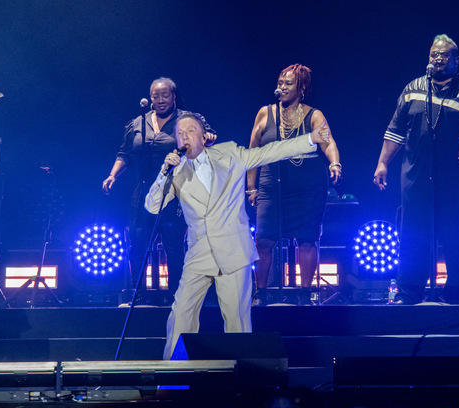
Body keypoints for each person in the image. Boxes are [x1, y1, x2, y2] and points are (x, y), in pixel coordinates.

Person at [146, 113, 332, 359]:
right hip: (199, 253)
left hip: (233, 250)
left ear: (203, 136)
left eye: (190, 131)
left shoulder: (230, 154)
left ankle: (242, 375)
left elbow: (270, 151)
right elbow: (152, 205)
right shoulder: (176, 170)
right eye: (179, 134)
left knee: (236, 320)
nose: (184, 137)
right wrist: (164, 172)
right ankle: (173, 376)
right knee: (180, 314)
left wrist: (310, 138)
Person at [373, 35, 459, 304]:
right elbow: (395, 130)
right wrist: (382, 162)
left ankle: (457, 294)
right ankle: (408, 292)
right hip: (417, 176)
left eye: (444, 55)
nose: (437, 59)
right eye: (433, 53)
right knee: (413, 233)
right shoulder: (413, 88)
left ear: (456, 59)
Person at [102, 78, 215, 304]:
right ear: (150, 98)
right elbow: (125, 153)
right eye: (155, 95)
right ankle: (139, 293)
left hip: (175, 191)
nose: (160, 100)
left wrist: (208, 138)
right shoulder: (138, 123)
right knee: (139, 242)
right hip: (143, 189)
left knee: (173, 245)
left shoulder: (186, 119)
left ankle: (178, 296)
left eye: (165, 95)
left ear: (174, 96)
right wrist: (113, 174)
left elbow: (207, 138)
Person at [246, 64, 341, 305]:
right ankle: (261, 294)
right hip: (271, 186)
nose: (282, 87)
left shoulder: (313, 115)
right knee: (263, 240)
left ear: (302, 88)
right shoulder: (265, 113)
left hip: (307, 190)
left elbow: (328, 142)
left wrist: (334, 163)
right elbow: (253, 152)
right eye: (280, 82)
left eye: (288, 83)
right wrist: (251, 187)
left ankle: (303, 293)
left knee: (307, 239)